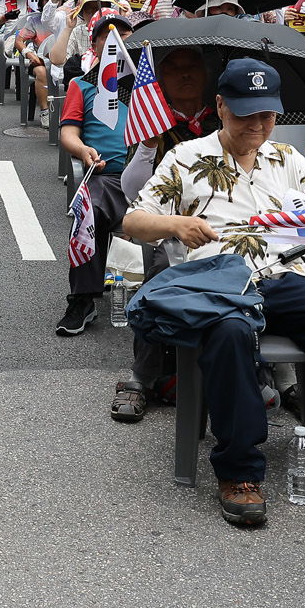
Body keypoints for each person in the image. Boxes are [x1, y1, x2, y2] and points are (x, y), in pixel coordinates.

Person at [122, 59, 305, 527]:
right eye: (245, 115)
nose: (257, 125)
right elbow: (133, 221)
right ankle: (239, 470)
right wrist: (175, 223)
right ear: (220, 106)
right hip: (223, 283)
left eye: (266, 115)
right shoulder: (185, 156)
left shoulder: (288, 159)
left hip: (288, 278)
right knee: (229, 335)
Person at [109, 42, 213, 422]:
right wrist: (149, 145)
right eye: (174, 69)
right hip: (168, 229)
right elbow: (132, 190)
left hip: (228, 228)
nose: (185, 74)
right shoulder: (151, 121)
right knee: (160, 275)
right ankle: (142, 378)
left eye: (193, 66)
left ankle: (279, 377)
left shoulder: (229, 120)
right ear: (161, 81)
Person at [56, 14, 136, 336]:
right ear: (95, 44)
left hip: (151, 177)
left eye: (124, 35)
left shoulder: (148, 85)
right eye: (108, 36)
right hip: (106, 177)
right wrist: (83, 151)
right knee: (86, 207)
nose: (117, 42)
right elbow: (68, 134)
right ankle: (82, 299)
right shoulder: (82, 85)